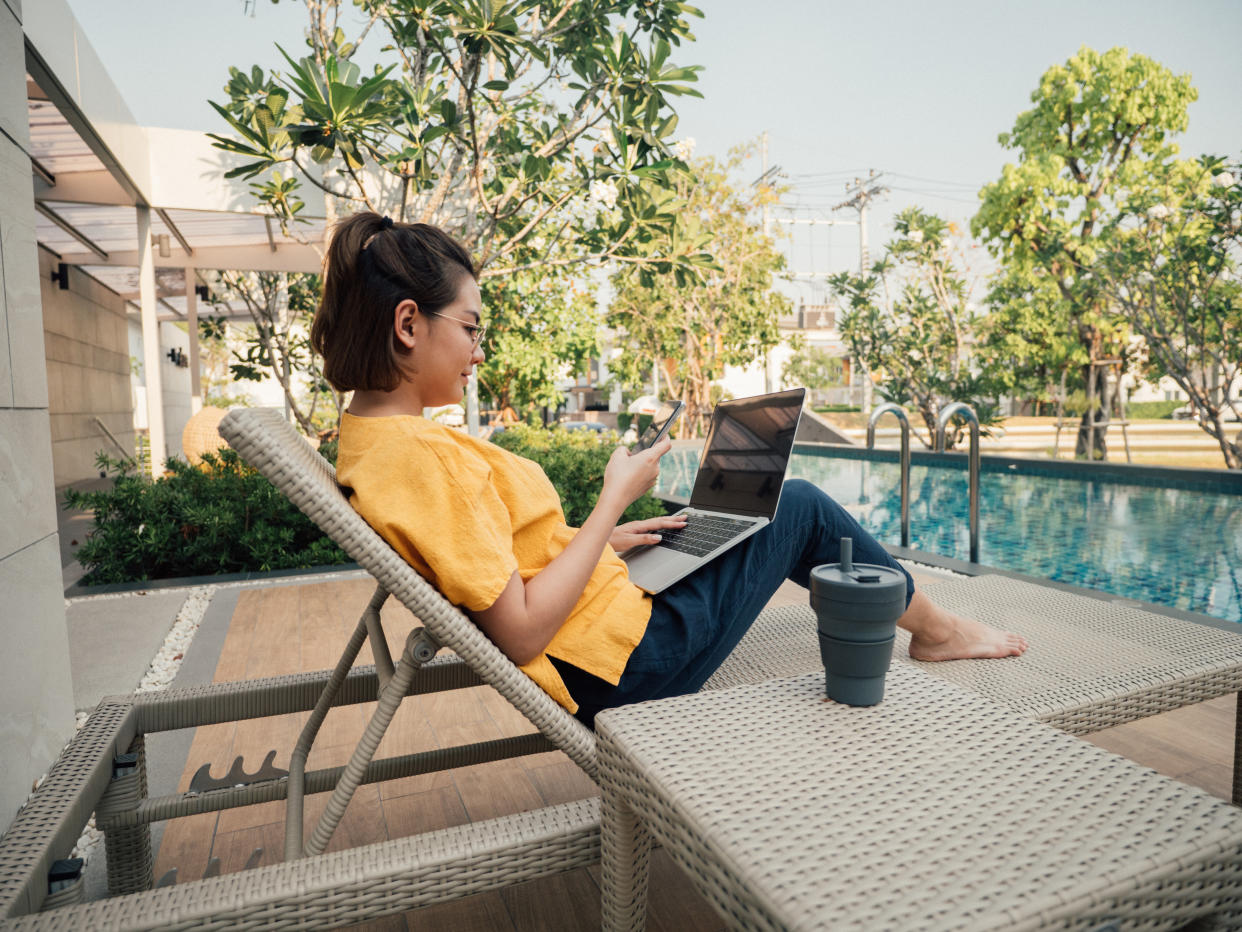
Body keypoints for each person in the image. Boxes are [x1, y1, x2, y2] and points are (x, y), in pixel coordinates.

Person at [312, 213, 1028, 727]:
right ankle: (937, 629)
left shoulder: (377, 444)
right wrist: (608, 504)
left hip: (607, 630)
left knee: (709, 520)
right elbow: (522, 633)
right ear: (409, 325)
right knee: (801, 505)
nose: (478, 351)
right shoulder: (425, 457)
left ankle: (925, 622)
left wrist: (613, 538)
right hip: (627, 666)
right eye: (470, 328)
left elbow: (495, 563)